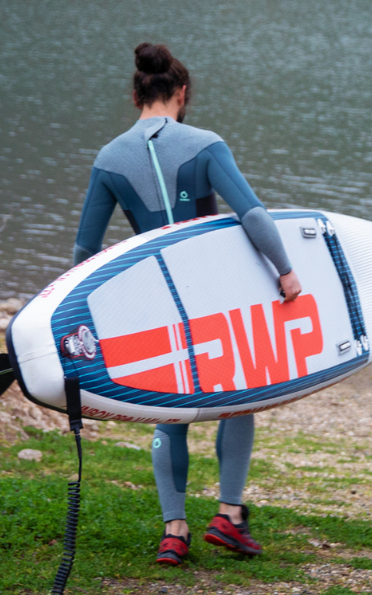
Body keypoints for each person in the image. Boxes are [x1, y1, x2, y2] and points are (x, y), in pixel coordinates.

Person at [73, 42, 302, 567]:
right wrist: (286, 271)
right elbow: (253, 215)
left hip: (157, 299)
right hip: (215, 294)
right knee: (238, 398)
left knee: (168, 410)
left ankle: (174, 531)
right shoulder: (205, 144)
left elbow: (85, 250)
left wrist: (93, 305)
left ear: (135, 96)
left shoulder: (109, 160)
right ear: (181, 93)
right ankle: (228, 514)